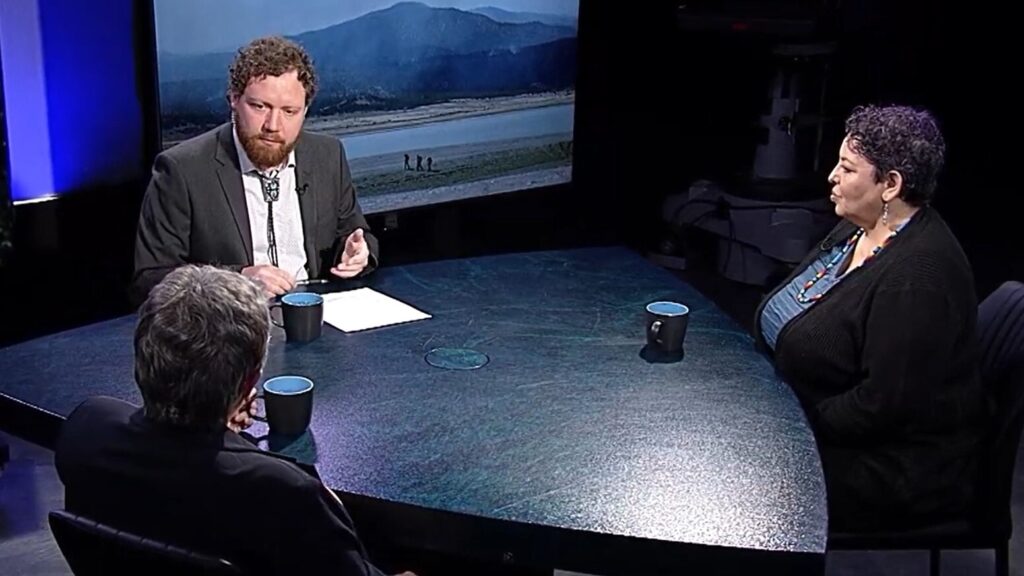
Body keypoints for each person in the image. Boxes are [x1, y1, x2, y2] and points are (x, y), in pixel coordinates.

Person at [55, 265, 413, 575]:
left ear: (142, 357)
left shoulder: (87, 428)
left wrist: (218, 422)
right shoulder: (285, 492)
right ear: (248, 382)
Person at [753, 104, 990, 531]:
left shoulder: (916, 278)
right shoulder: (861, 225)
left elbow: (881, 406)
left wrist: (789, 428)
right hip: (813, 423)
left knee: (738, 476)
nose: (832, 177)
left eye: (847, 169)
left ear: (890, 185)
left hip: (889, 470)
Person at [132, 36, 378, 304]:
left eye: (289, 111)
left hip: (315, 313)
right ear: (234, 99)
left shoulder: (327, 155)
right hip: (228, 322)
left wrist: (356, 254)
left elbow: (356, 234)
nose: (273, 125)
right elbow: (151, 278)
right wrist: (237, 280)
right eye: (260, 107)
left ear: (305, 110)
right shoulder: (182, 169)